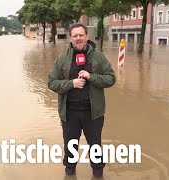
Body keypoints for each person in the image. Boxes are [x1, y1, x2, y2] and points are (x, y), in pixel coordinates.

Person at [48, 23, 116, 178]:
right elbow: (51, 82)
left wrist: (91, 77)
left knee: (95, 147)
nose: (78, 38)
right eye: (75, 35)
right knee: (70, 147)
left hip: (93, 113)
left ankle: (98, 175)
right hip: (70, 113)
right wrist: (71, 84)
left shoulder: (98, 56)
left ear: (86, 36)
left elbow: (111, 79)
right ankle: (70, 173)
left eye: (81, 35)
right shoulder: (62, 59)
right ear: (70, 38)